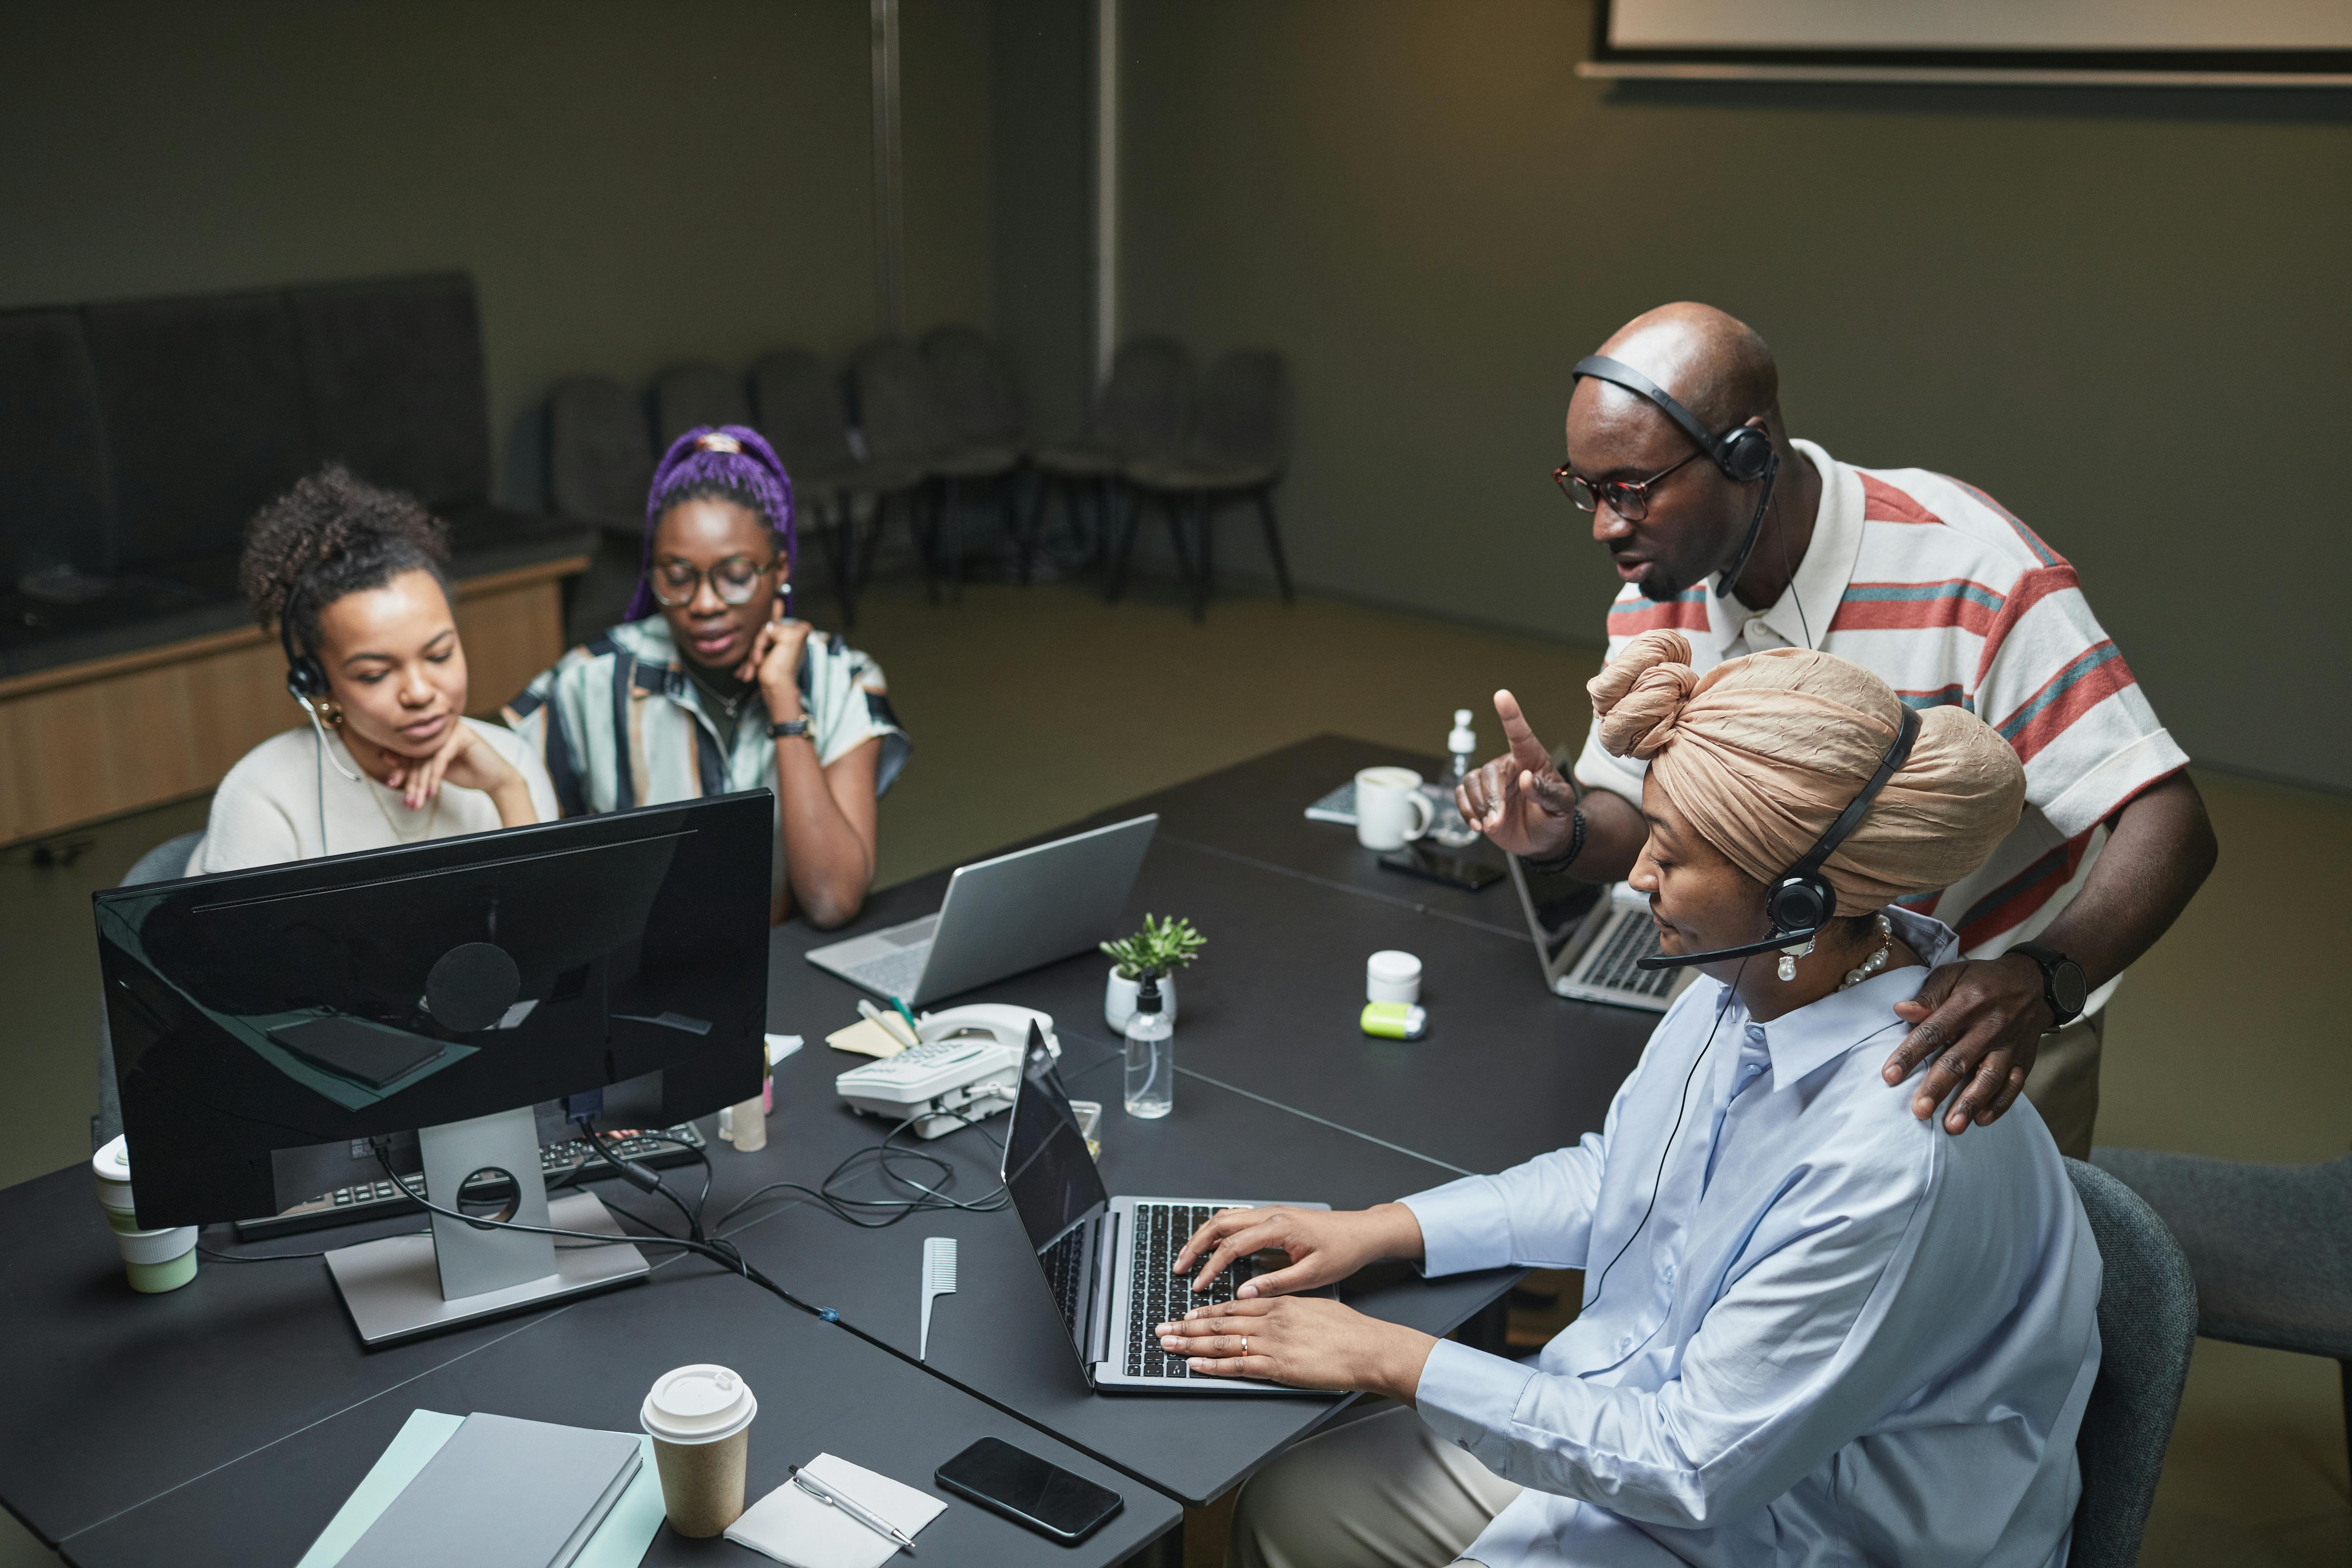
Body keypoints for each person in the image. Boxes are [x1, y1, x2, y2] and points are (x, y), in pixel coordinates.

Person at [1168, 631, 2099, 1568]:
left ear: (1798, 907)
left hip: (1802, 1525)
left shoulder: (1895, 1154)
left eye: (1670, 855)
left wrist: (1385, 1358)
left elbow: (1697, 1466)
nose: (1639, 879)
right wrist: (1382, 1228)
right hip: (1645, 1421)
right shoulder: (1739, 987)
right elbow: (1626, 1173)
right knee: (1297, 1505)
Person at [1460, 303, 2216, 1158]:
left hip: (1973, 1027)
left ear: (1748, 453)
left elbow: (2171, 823)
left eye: (1630, 489)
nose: (1605, 525)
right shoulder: (1659, 591)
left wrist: (2040, 980)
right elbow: (1644, 829)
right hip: (1769, 1005)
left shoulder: (1972, 573)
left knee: (1991, 1287)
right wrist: (1563, 833)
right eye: (1585, 491)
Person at [505, 426, 908, 927]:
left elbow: (832, 900)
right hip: (641, 980)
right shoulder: (588, 683)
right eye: (677, 576)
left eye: (736, 575)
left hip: (784, 973)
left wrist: (785, 703)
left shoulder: (841, 679)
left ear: (780, 569)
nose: (705, 604)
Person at [192, 466, 557, 874]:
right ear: (318, 681)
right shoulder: (264, 798)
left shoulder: (510, 763)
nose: (419, 692)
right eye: (375, 675)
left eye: (439, 656)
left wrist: (507, 791)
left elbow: (552, 933)